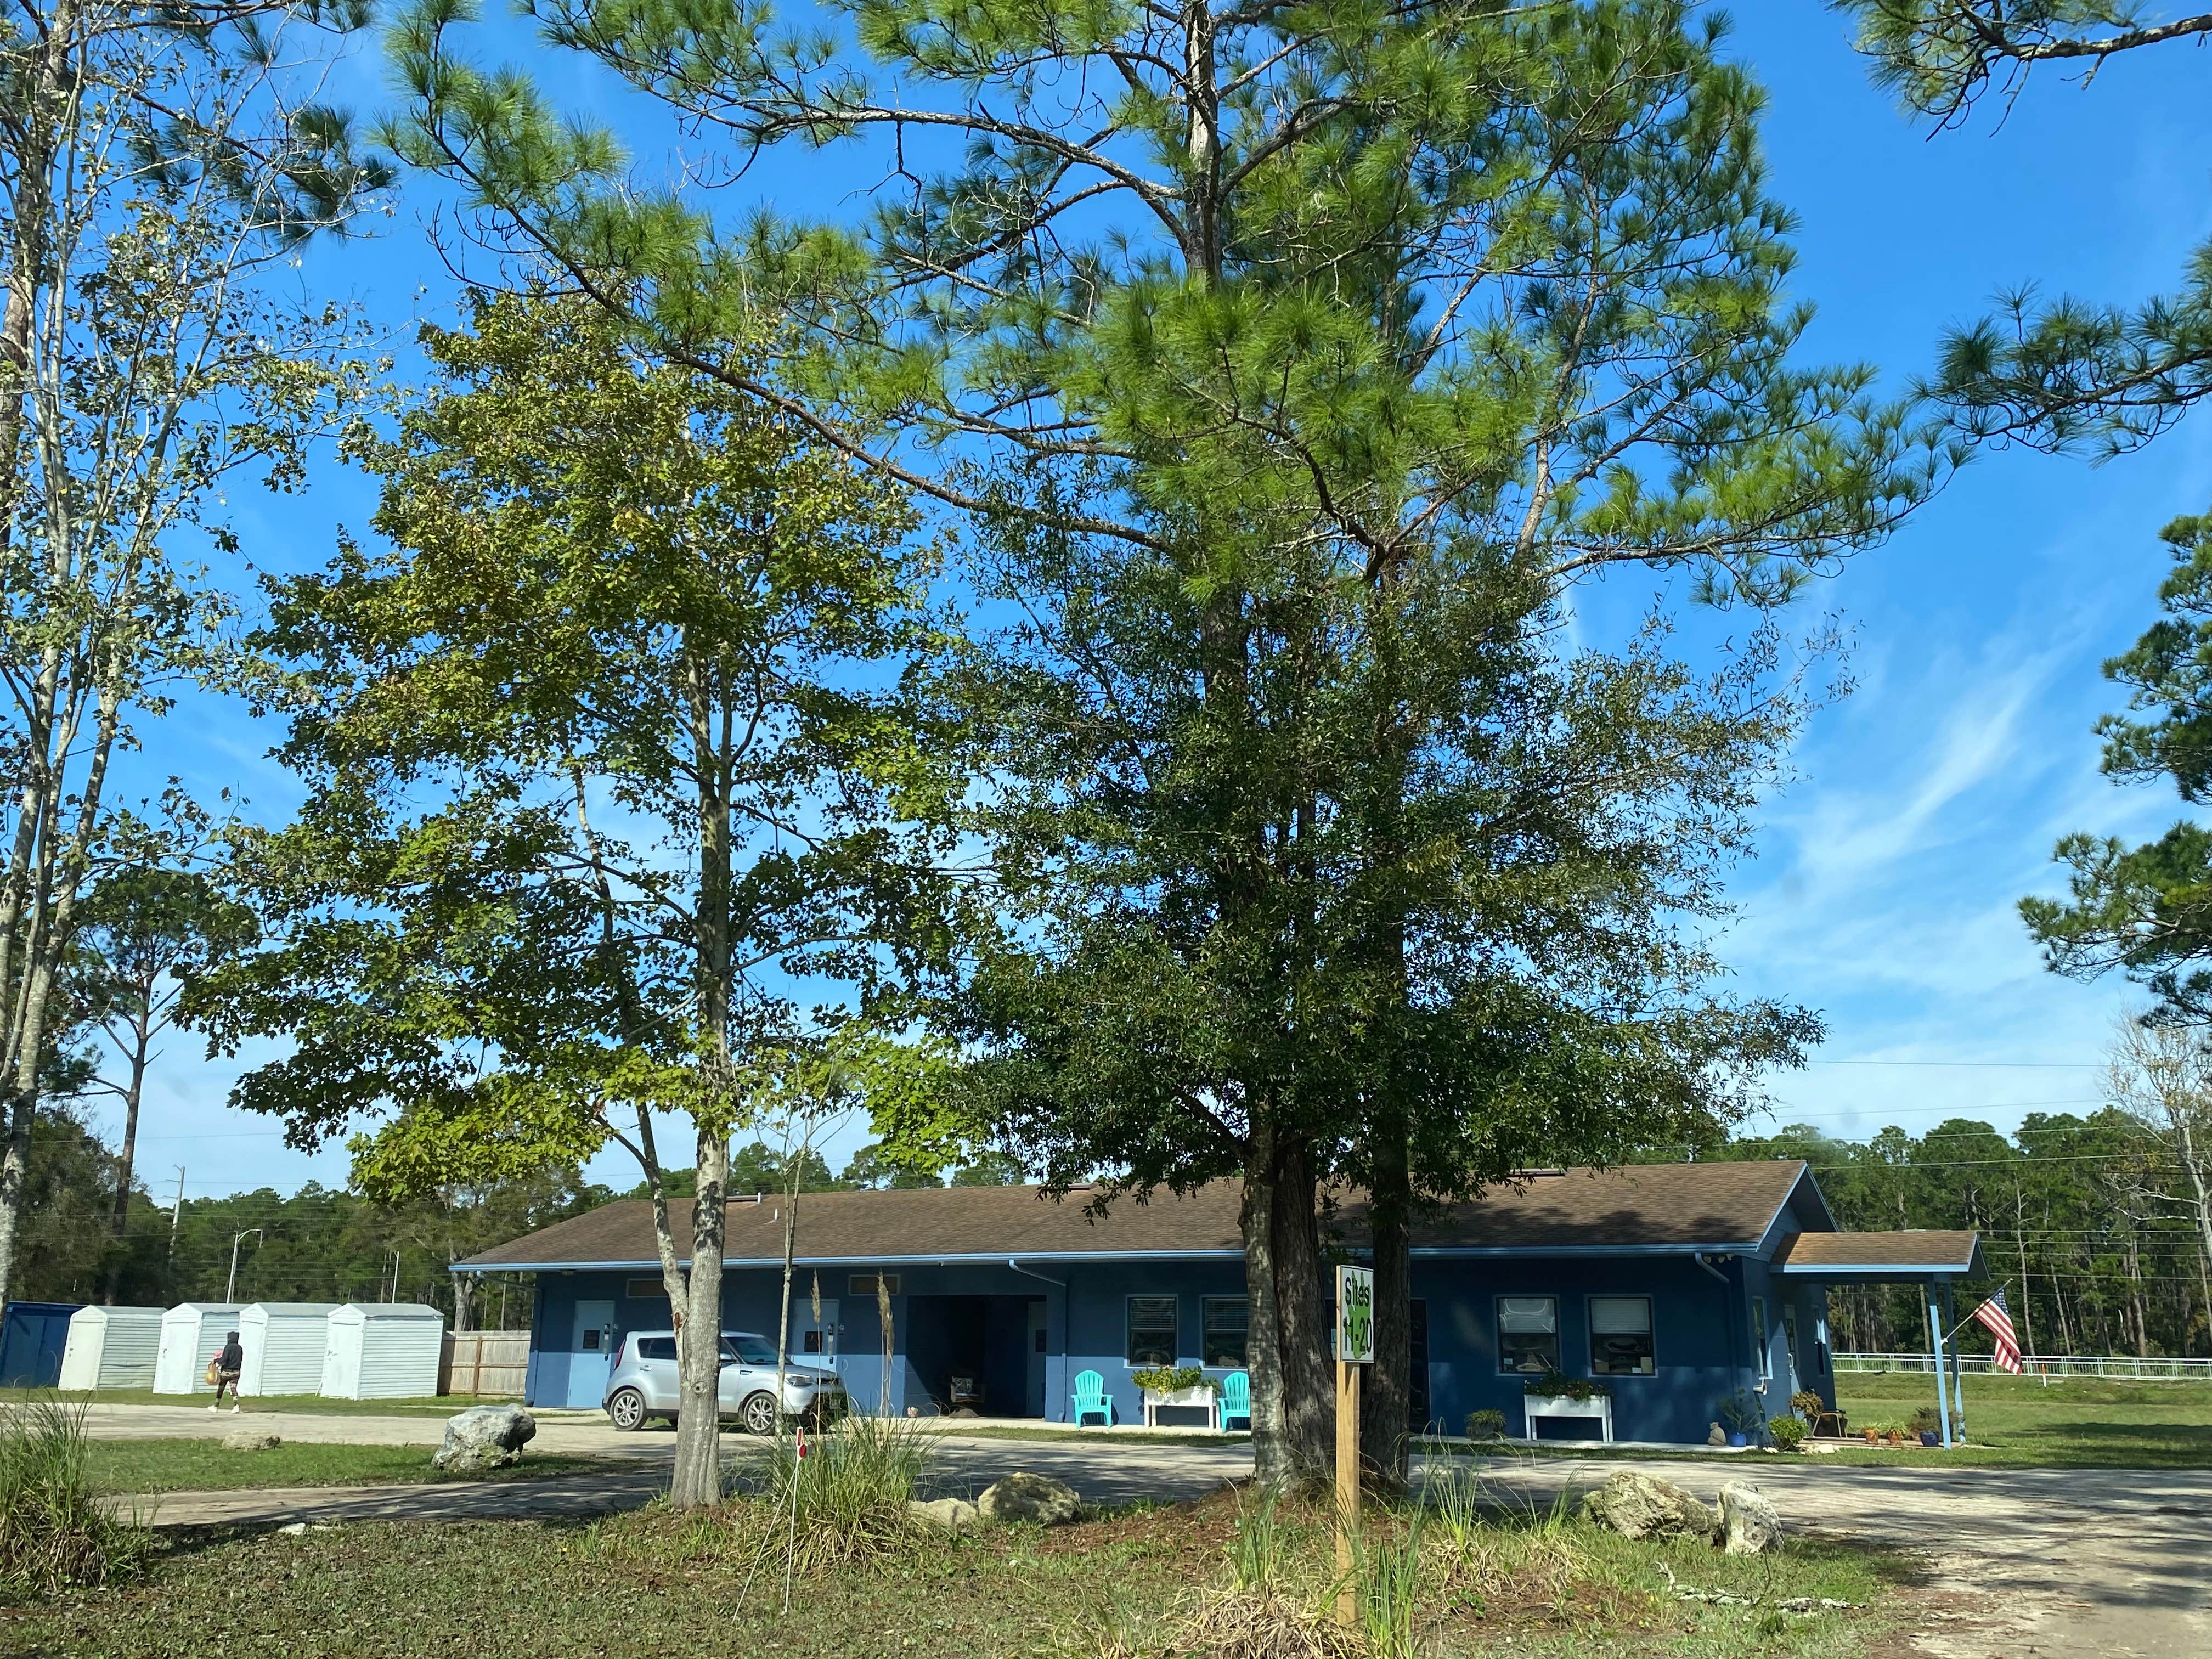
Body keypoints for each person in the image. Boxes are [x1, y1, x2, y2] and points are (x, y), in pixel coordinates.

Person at [208, 1330, 244, 1413]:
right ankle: (236, 1405)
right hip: (236, 1372)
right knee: (234, 1388)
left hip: (226, 1372)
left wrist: (216, 1361)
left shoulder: (228, 1347)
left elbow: (225, 1360)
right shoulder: (240, 1348)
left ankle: (216, 1406)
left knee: (221, 1388)